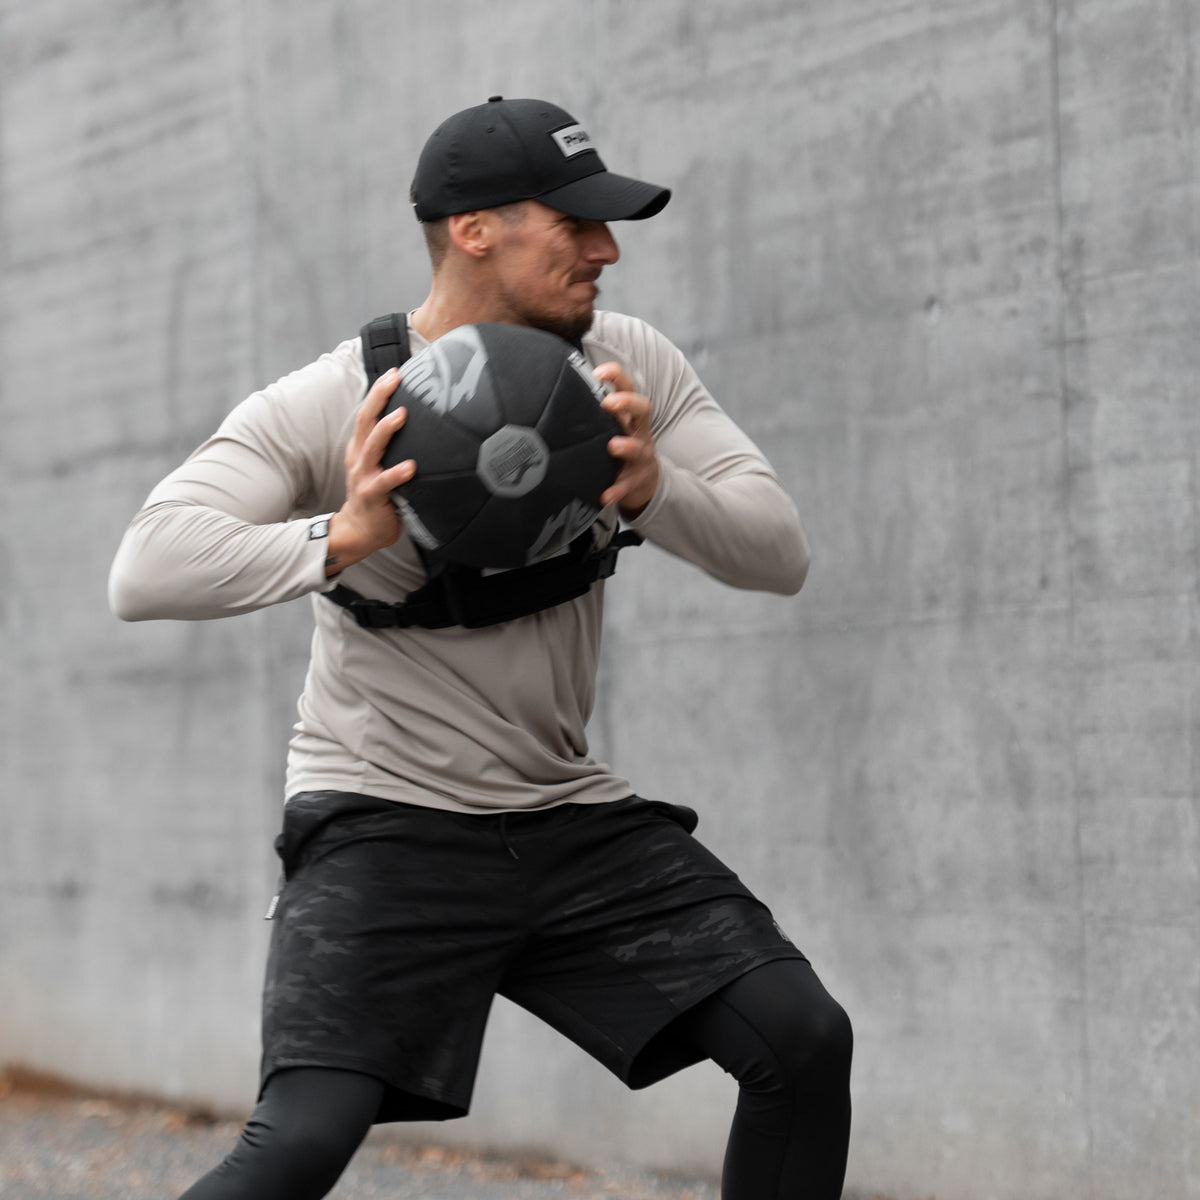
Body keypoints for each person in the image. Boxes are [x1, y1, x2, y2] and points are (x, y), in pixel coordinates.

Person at [109, 96, 853, 1200]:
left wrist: (655, 489)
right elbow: (145, 567)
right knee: (303, 1142)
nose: (606, 250)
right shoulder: (342, 397)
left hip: (563, 815)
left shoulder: (624, 366)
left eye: (609, 227)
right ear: (475, 230)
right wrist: (345, 534)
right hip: (384, 815)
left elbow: (779, 550)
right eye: (575, 226)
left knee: (800, 1037)